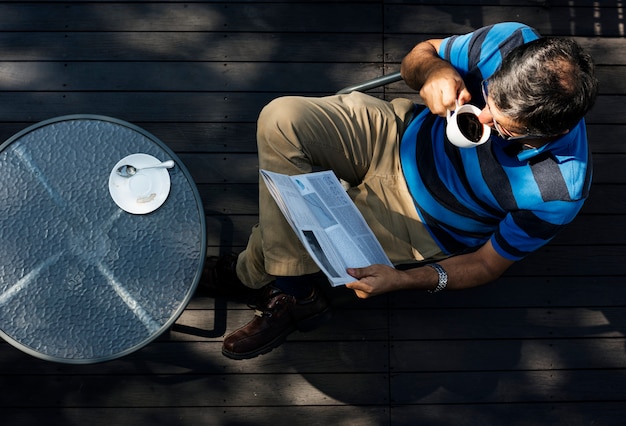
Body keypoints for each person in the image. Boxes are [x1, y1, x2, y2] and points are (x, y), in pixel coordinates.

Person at [209, 22, 598, 360]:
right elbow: (419, 55)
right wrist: (434, 71)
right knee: (282, 117)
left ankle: (270, 283)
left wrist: (405, 280)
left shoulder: (559, 189)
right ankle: (298, 293)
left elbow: (486, 264)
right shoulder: (510, 40)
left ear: (553, 132)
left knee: (285, 233)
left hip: (422, 222)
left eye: (503, 126)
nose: (479, 118)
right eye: (487, 97)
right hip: (396, 134)